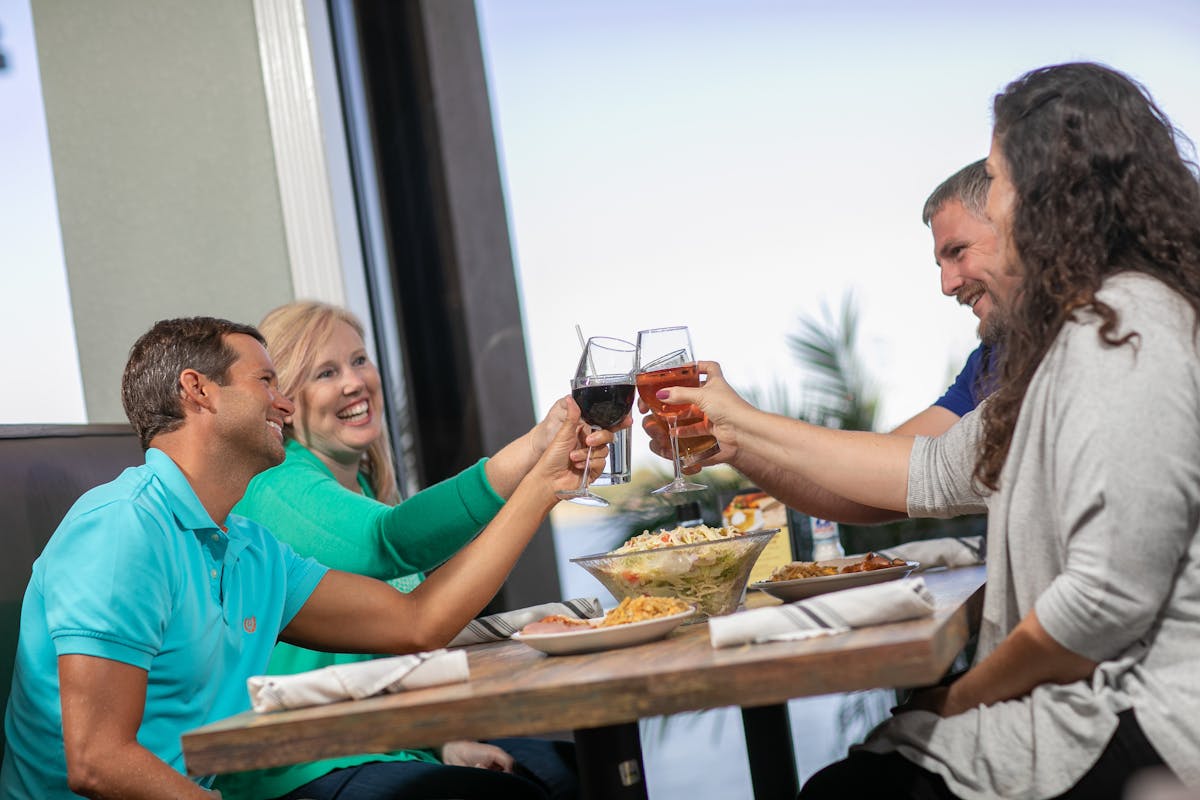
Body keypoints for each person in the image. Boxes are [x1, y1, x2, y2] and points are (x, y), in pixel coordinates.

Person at [651, 62, 1200, 799]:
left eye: (999, 178)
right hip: (1097, 696)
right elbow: (925, 470)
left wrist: (962, 696)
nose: (994, 200)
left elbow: (1101, 606)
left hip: (1145, 719)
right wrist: (739, 429)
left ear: (1049, 191)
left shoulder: (1127, 332)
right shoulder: (1071, 338)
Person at [0, 317, 607, 800]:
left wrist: (546, 485)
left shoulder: (248, 550)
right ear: (197, 391)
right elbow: (99, 763)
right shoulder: (121, 529)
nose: (284, 406)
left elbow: (417, 621)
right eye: (267, 382)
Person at [212, 301, 580, 800]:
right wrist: (536, 459)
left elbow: (400, 645)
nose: (353, 382)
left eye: (359, 360)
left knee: (574, 772)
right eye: (326, 372)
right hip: (301, 764)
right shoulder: (278, 486)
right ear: (287, 401)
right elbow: (392, 542)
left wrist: (445, 741)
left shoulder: (365, 489)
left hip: (387, 744)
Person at [644, 158, 1003, 524]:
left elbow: (927, 473)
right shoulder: (992, 360)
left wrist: (743, 422)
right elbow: (871, 488)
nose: (947, 285)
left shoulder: (1058, 357)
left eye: (958, 251)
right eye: (941, 264)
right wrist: (736, 443)